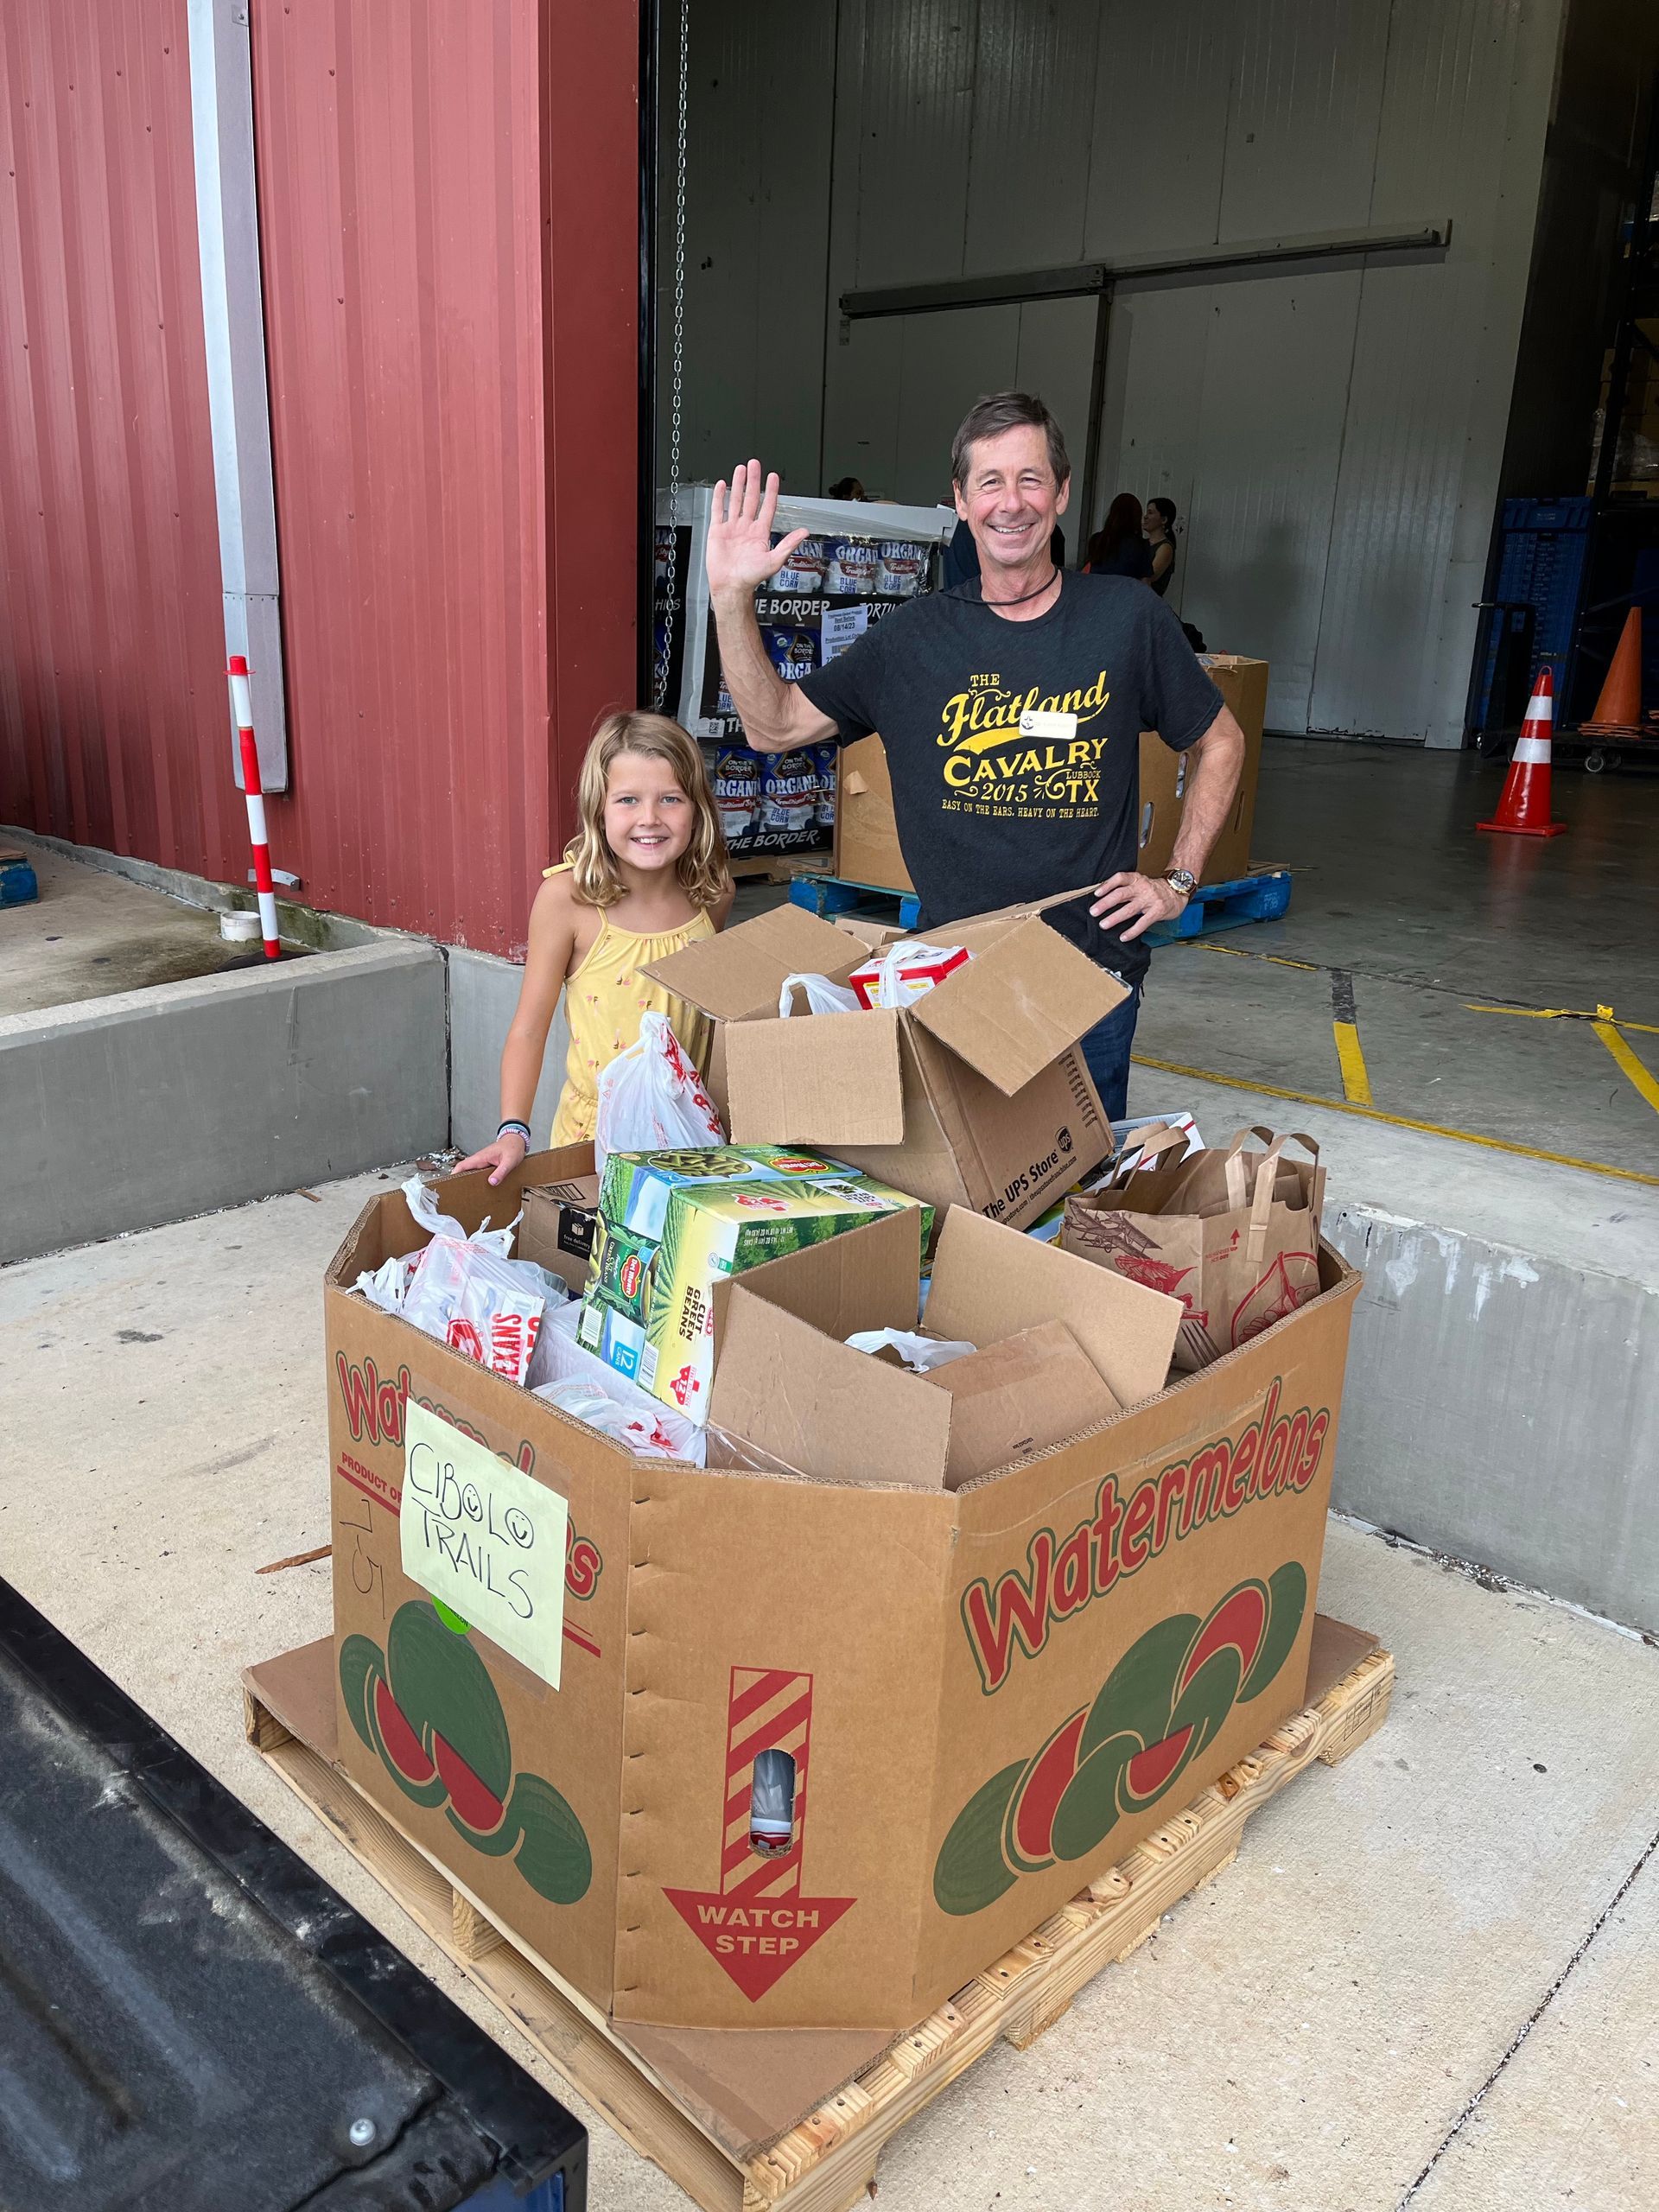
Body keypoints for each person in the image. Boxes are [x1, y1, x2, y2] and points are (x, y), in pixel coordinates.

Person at [702, 392, 1245, 1119]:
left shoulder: (1126, 621)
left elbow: (1221, 739)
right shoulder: (913, 639)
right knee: (969, 1206)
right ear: (960, 500)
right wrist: (731, 598)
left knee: (1076, 1206)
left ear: (1061, 491)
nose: (1011, 503)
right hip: (951, 980)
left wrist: (1178, 880)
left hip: (1088, 981)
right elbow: (773, 727)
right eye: (990, 482)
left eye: (1030, 478)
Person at [456, 711, 734, 1184]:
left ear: (698, 808)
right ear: (598, 808)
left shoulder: (713, 892)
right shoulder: (569, 901)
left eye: (671, 799)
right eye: (628, 800)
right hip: (594, 1140)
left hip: (691, 1131)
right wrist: (512, 1131)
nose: (650, 819)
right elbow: (528, 1028)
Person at [1084, 493, 1153, 582]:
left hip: (1097, 590)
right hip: (1125, 592)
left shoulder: (1097, 539)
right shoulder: (1140, 545)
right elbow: (1145, 581)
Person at [1145, 496, 1179, 596]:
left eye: (1150, 513)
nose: (1145, 516)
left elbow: (1150, 577)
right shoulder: (1141, 543)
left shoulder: (1165, 548)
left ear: (1163, 520)